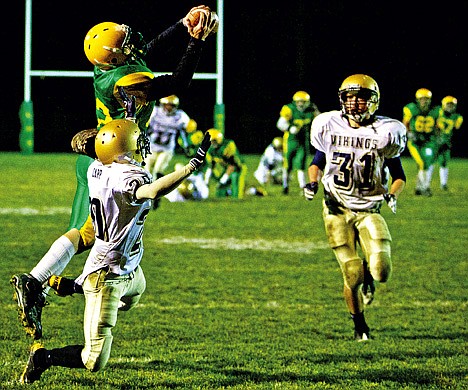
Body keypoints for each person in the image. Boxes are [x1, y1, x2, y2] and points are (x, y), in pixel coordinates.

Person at [10, 6, 219, 340]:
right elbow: (179, 81)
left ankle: (38, 284)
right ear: (113, 59)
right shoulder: (124, 80)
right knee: (94, 235)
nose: (131, 43)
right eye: (123, 43)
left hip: (102, 157)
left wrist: (182, 24)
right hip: (112, 163)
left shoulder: (112, 65)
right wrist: (197, 42)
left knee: (87, 233)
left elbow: (147, 50)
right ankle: (36, 283)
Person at [19, 119, 212, 384]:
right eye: (134, 142)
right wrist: (191, 165)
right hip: (107, 275)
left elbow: (106, 149)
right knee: (94, 360)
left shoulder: (97, 168)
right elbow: (154, 190)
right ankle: (43, 358)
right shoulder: (125, 177)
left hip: (129, 267)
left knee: (132, 298)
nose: (140, 146)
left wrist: (128, 120)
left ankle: (75, 287)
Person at [303, 74, 407, 341]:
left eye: (360, 98)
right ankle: (360, 327)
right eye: (349, 97)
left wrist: (393, 195)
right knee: (351, 273)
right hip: (336, 206)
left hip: (369, 208)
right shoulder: (329, 124)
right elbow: (317, 161)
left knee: (382, 271)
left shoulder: (387, 131)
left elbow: (399, 175)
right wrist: (312, 182)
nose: (354, 103)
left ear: (373, 101)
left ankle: (370, 276)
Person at [276, 91, 320, 195]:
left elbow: (320, 121)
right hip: (290, 140)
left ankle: (302, 186)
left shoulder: (311, 109)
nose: (300, 104)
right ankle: (285, 186)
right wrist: (289, 127)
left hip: (303, 140)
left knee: (301, 164)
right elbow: (280, 123)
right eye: (298, 102)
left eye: (303, 102)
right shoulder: (289, 108)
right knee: (288, 164)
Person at [402, 88, 439, 196]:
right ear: (417, 100)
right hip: (415, 141)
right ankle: (425, 187)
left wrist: (437, 134)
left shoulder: (435, 111)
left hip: (428, 141)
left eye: (426, 99)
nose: (424, 101)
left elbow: (438, 125)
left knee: (426, 163)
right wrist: (409, 133)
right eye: (422, 99)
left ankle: (419, 187)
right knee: (422, 163)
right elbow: (405, 122)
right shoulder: (411, 109)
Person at [145, 95, 191, 181]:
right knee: (147, 171)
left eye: (171, 105)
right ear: (162, 104)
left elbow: (185, 132)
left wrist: (186, 146)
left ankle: (155, 191)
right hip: (151, 147)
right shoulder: (154, 111)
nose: (169, 107)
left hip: (167, 149)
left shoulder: (180, 116)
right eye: (167, 105)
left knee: (158, 170)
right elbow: (144, 126)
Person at [204, 129, 247, 199]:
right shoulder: (211, 150)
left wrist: (223, 179)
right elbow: (211, 166)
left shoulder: (228, 145)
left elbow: (232, 165)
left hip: (238, 168)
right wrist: (206, 180)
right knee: (219, 192)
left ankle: (252, 191)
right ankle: (227, 193)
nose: (211, 143)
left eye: (213, 141)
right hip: (227, 168)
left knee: (236, 194)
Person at [432, 96, 463, 191]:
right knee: (428, 162)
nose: (450, 107)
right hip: (434, 141)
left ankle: (443, 183)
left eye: (452, 105)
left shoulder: (457, 117)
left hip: (446, 142)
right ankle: (424, 183)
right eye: (448, 104)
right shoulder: (437, 112)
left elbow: (456, 130)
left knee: (444, 162)